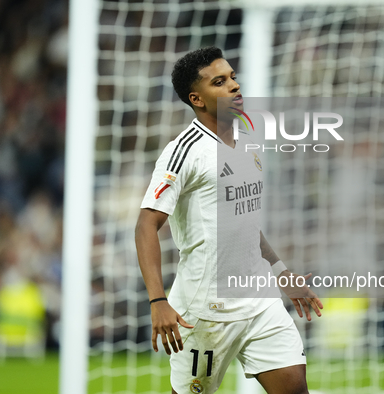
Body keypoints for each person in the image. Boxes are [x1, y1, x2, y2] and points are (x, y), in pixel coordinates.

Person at [135, 46, 323, 394]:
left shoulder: (248, 139)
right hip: (206, 311)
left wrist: (281, 272)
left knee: (295, 388)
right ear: (198, 99)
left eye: (233, 77)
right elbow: (146, 224)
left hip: (259, 300)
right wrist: (158, 301)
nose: (234, 86)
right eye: (219, 82)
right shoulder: (184, 151)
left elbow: (246, 221)